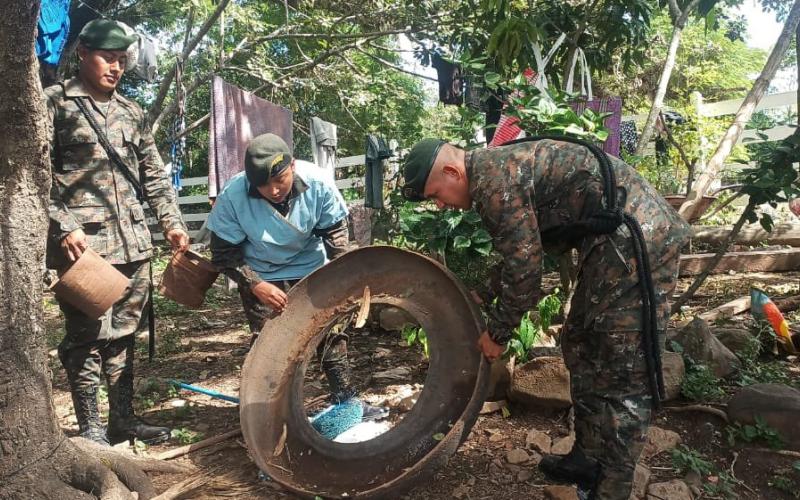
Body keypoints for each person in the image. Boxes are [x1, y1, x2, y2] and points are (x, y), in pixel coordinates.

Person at [402, 137, 691, 499]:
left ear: (451, 171)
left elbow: (526, 272)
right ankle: (586, 458)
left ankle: (613, 487)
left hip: (641, 240)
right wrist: (486, 292)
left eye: (436, 195)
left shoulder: (492, 181)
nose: (441, 205)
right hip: (611, 245)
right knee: (581, 343)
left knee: (624, 368)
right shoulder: (492, 173)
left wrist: (498, 332)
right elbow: (525, 250)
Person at [45, 19, 190, 446]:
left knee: (124, 336)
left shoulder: (132, 112)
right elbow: (35, 173)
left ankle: (122, 422)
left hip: (133, 243)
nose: (116, 67)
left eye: (122, 60)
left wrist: (173, 224)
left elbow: (155, 177)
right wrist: (63, 223)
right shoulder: (55, 104)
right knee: (86, 339)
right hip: (83, 249)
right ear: (83, 55)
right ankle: (91, 431)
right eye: (108, 58)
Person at [207, 133, 385, 418]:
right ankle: (270, 414)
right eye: (264, 186)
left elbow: (337, 241)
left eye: (279, 181)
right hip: (261, 269)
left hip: (311, 265)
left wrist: (342, 286)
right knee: (268, 344)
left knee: (332, 334)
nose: (274, 191)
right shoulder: (233, 196)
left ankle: (348, 401)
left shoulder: (319, 185)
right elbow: (222, 254)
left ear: (292, 167)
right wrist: (255, 284)